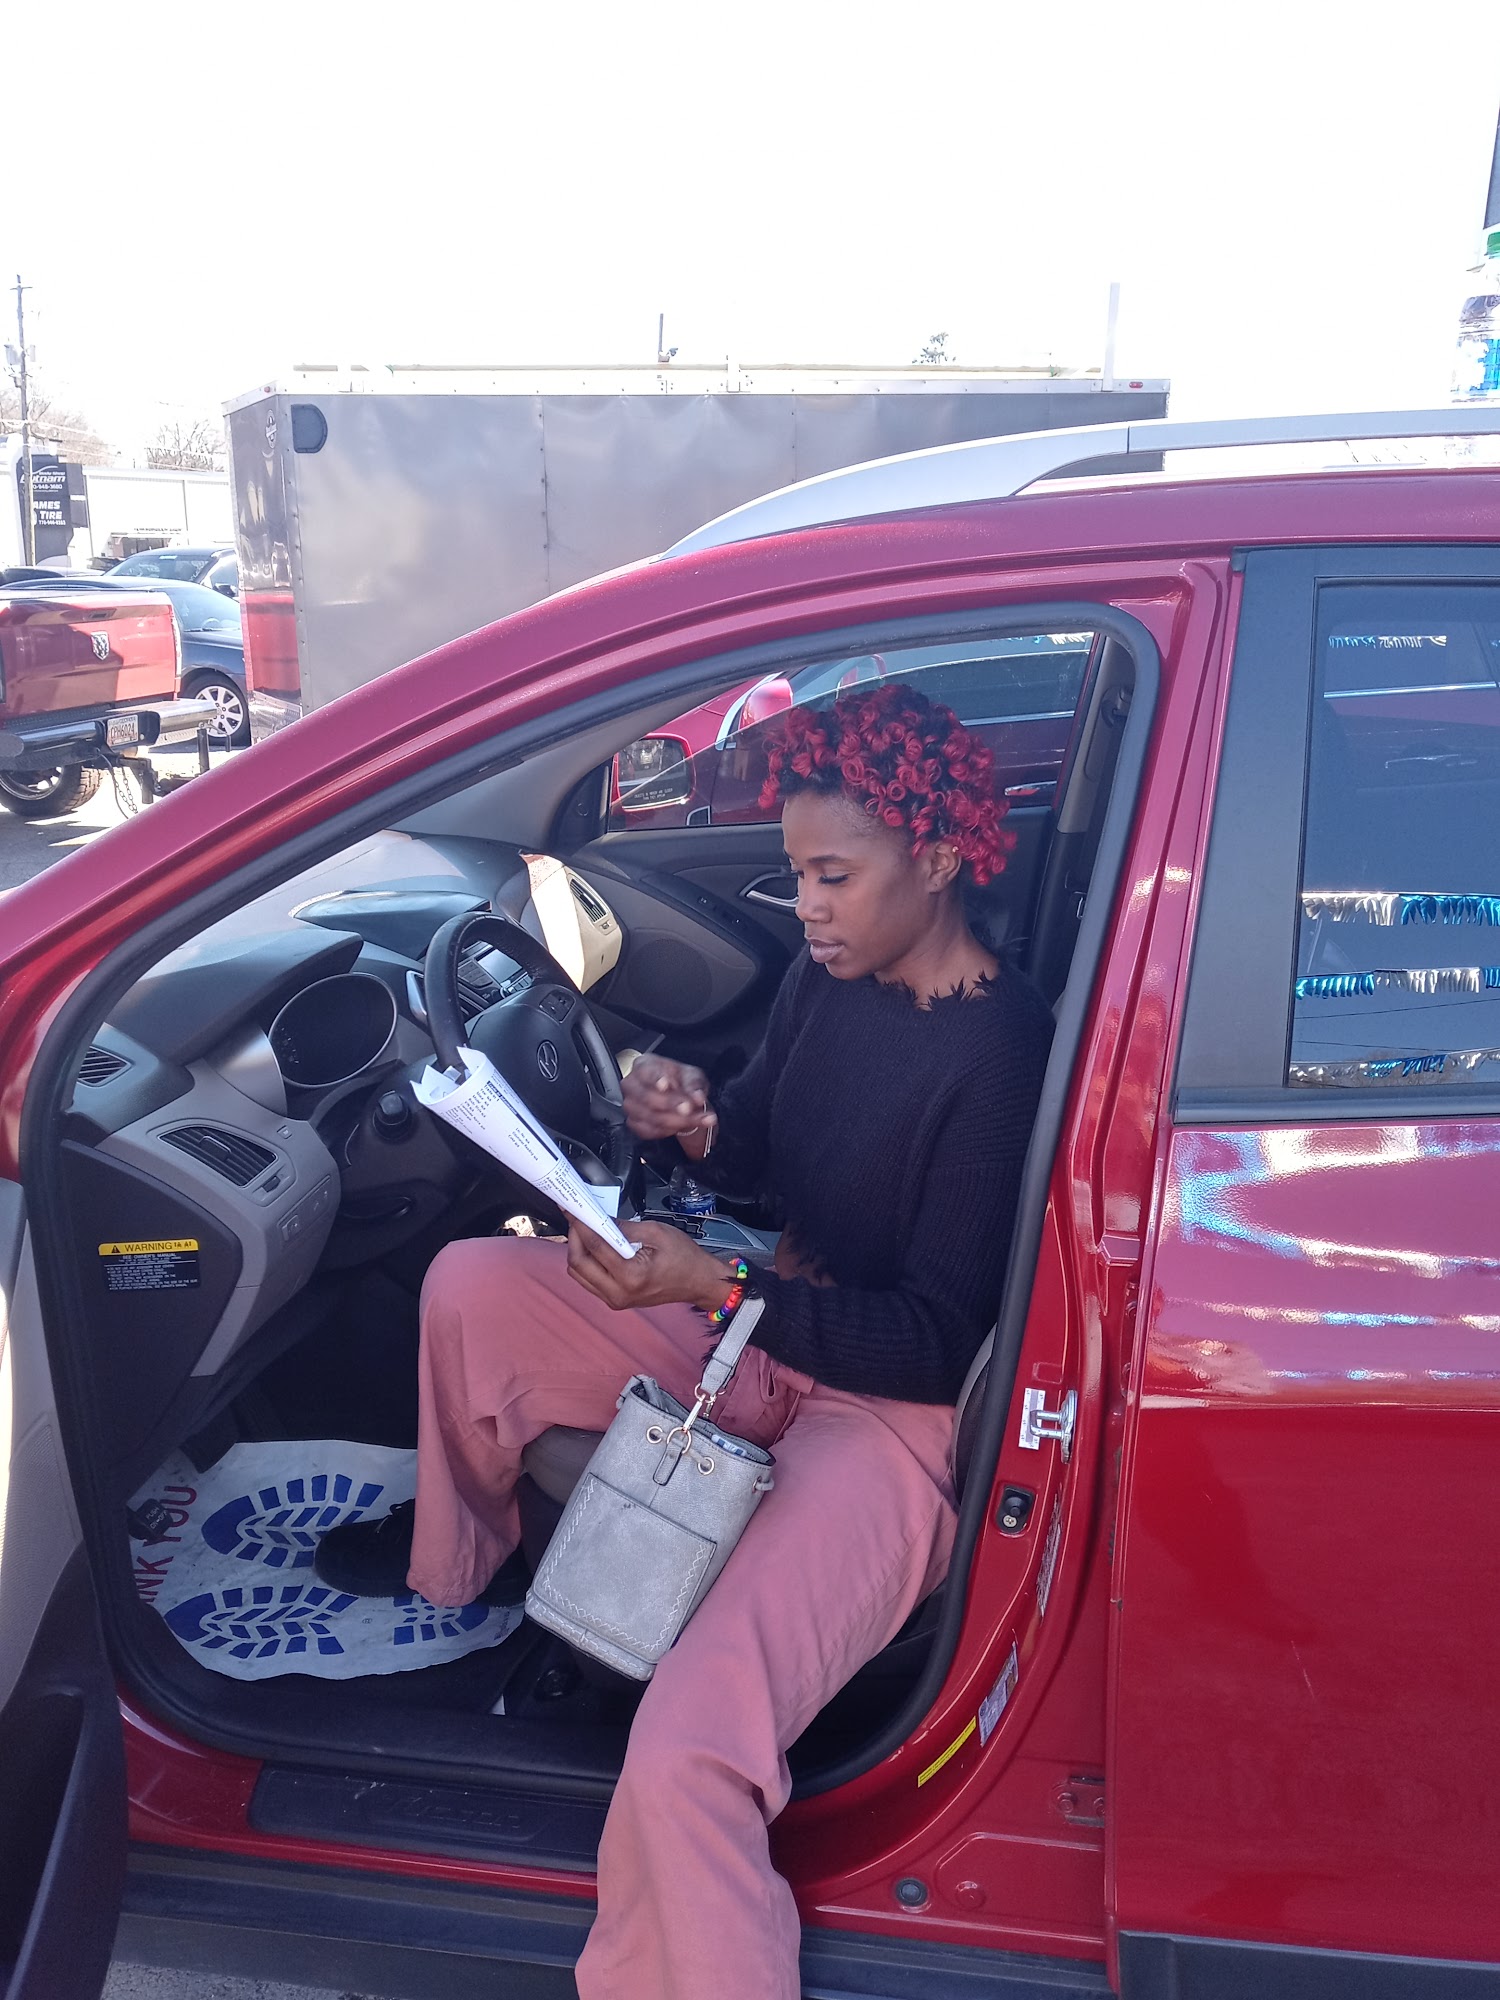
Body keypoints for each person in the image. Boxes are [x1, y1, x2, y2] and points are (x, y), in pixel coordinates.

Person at [314, 680, 1054, 2000]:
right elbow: (761, 1151)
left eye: (833, 877)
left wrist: (719, 1287)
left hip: (889, 1417)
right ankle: (463, 1578)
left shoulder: (1000, 1057)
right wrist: (693, 1116)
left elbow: (938, 1344)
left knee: (689, 1752)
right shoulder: (833, 978)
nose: (807, 906)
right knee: (471, 1286)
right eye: (797, 875)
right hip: (768, 1326)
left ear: (940, 859)